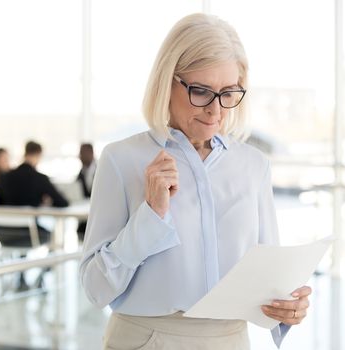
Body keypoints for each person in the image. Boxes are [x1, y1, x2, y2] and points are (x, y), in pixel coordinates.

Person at [79, 13, 311, 350]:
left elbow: (270, 282)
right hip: (145, 340)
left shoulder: (253, 166)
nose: (216, 110)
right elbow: (95, 287)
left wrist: (287, 307)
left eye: (229, 92)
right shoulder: (121, 160)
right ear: (167, 81)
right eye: (201, 91)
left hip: (231, 341)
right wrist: (151, 216)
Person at [0, 141, 69, 290]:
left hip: (4, 234)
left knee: (25, 227)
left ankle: (21, 277)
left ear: (25, 153)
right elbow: (62, 202)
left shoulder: (6, 177)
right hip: (30, 235)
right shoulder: (39, 178)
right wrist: (44, 201)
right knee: (53, 236)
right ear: (38, 155)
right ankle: (42, 277)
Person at [76, 143, 96, 240]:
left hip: (96, 216)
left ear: (91, 153)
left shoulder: (100, 170)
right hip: (83, 216)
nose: (80, 156)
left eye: (82, 153)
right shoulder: (80, 173)